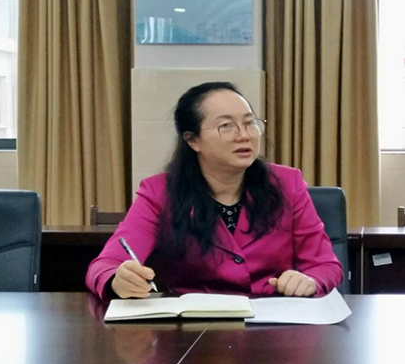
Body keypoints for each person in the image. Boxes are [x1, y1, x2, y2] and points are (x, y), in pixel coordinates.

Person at [86, 81, 343, 301]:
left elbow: (326, 266)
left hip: (271, 323)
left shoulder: (287, 184)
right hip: (190, 329)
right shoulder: (160, 192)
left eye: (249, 123)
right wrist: (117, 280)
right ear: (192, 140)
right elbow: (104, 266)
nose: (244, 135)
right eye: (227, 126)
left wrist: (311, 281)